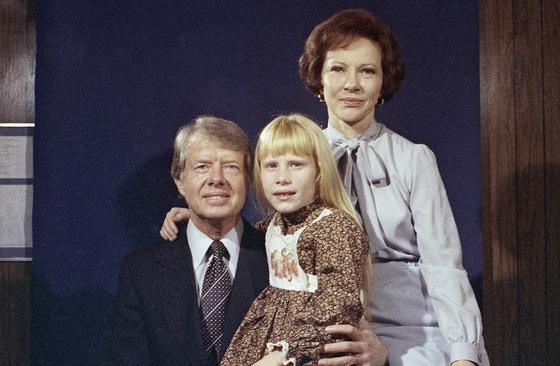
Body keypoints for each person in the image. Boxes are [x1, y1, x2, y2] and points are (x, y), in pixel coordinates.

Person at [162, 8, 488, 366]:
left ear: (383, 82)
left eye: (367, 71)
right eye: (338, 69)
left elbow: (444, 265)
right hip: (325, 323)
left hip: (415, 327)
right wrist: (200, 218)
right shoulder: (299, 152)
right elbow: (274, 235)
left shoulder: (414, 158)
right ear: (319, 79)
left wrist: (462, 355)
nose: (352, 84)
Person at [110, 116, 270, 365]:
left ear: (248, 178)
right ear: (180, 180)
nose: (216, 178)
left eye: (230, 166)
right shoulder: (140, 272)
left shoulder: (277, 258)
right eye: (202, 167)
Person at [220, 114, 369, 365]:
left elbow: (338, 305)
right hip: (267, 344)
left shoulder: (334, 227)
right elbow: (239, 234)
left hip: (312, 350)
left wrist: (284, 355)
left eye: (296, 164)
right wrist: (196, 216)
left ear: (319, 170)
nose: (282, 177)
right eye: (271, 165)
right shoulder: (273, 225)